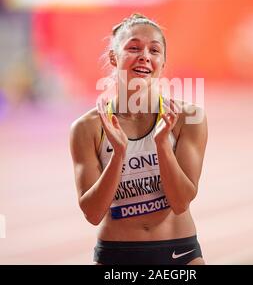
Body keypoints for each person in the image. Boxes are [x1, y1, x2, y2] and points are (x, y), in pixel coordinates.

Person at [69, 13, 208, 265]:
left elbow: (180, 202)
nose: (144, 55)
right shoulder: (87, 128)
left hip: (179, 252)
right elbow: (92, 213)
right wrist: (118, 155)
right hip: (116, 255)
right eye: (133, 47)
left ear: (162, 63)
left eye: (154, 50)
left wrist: (162, 145)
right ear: (114, 57)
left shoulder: (188, 118)